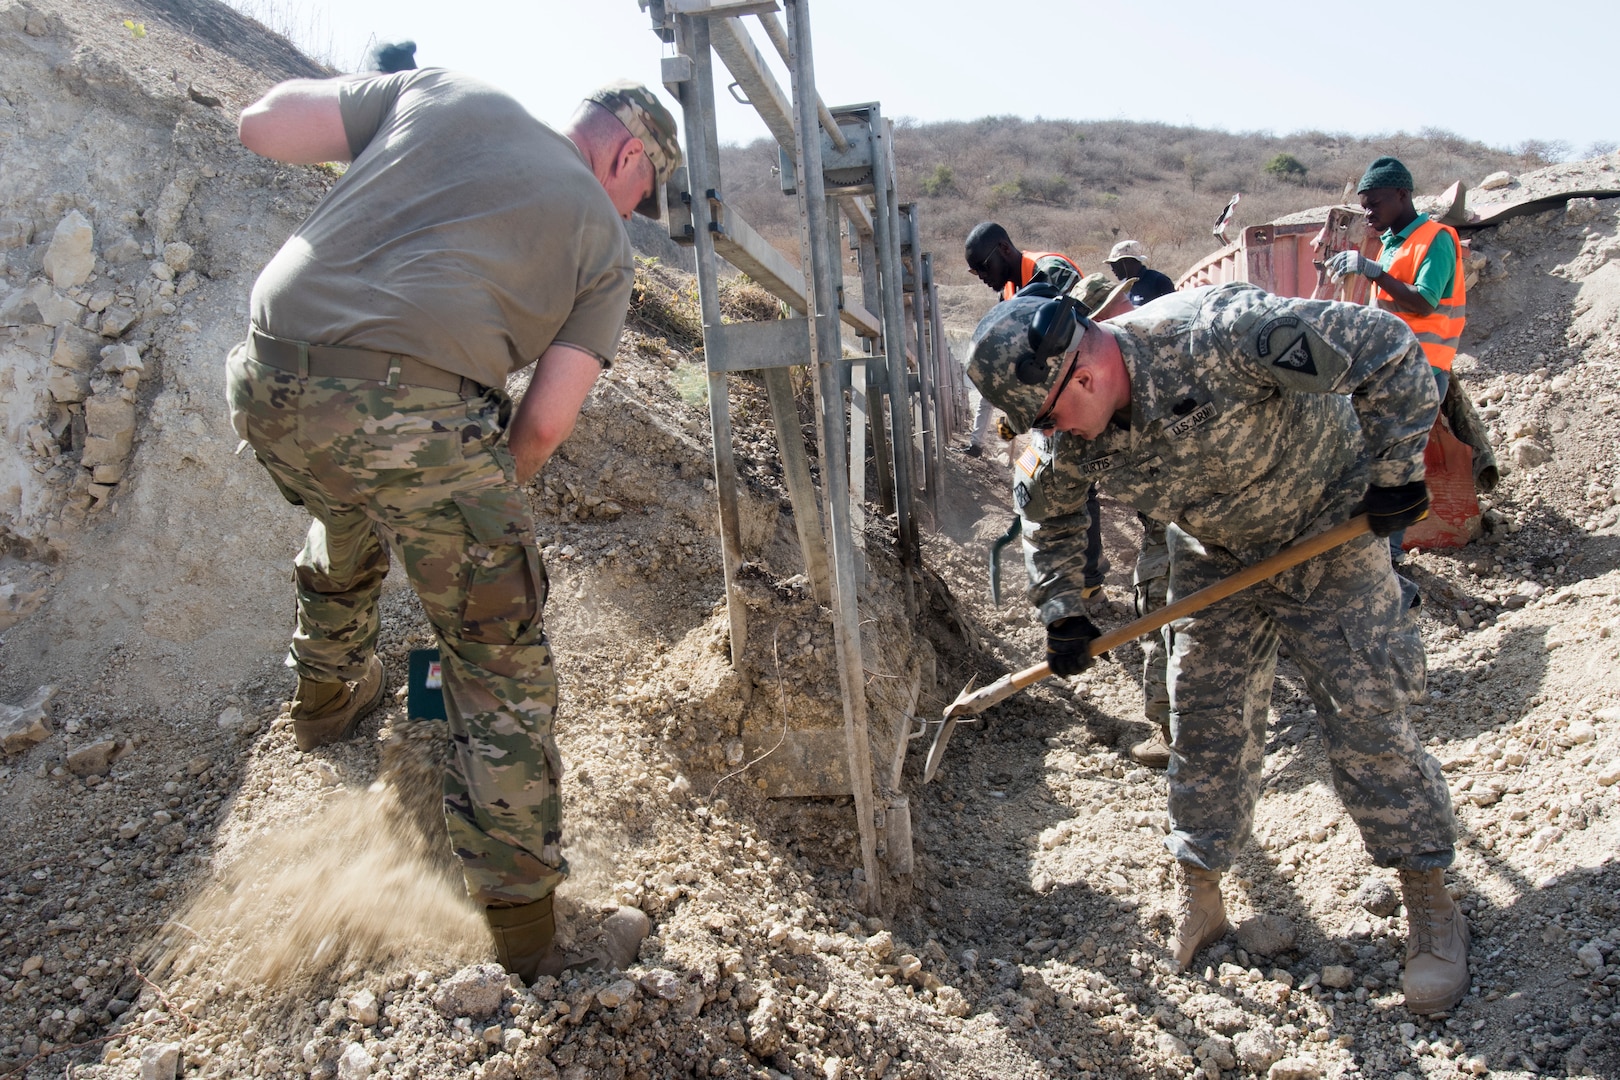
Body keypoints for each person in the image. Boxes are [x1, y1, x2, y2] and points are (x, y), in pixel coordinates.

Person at [228, 68, 681, 981]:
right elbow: (544, 425)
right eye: (643, 192)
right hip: (413, 410)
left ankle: (321, 704)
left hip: (267, 375)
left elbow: (261, 126)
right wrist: (469, 518)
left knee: (344, 505)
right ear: (630, 153)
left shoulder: (441, 93)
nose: (634, 210)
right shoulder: (601, 241)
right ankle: (523, 931)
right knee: (496, 655)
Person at [965, 283, 1468, 1014]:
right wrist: (1063, 611)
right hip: (1217, 556)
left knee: (1367, 718)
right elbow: (1048, 515)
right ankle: (1199, 892)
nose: (1058, 436)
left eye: (1052, 417)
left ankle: (1430, 902)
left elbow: (1388, 349)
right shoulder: (1072, 431)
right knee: (1204, 722)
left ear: (1085, 371)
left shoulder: (1223, 335)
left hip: (1328, 530)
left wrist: (1394, 471)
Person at [1327, 156, 1463, 561]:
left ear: (1403, 195)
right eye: (1364, 205)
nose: (1368, 213)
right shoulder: (1391, 245)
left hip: (1420, 371)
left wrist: (1372, 271)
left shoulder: (1436, 237)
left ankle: (1391, 558)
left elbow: (1423, 302)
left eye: (1375, 203)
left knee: (1396, 465)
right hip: (1385, 371)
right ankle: (1364, 552)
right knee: (1361, 461)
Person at [1104, 239, 1177, 307]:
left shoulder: (1159, 281)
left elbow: (1173, 309)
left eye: (1114, 265)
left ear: (1126, 261)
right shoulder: (1123, 288)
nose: (1112, 269)